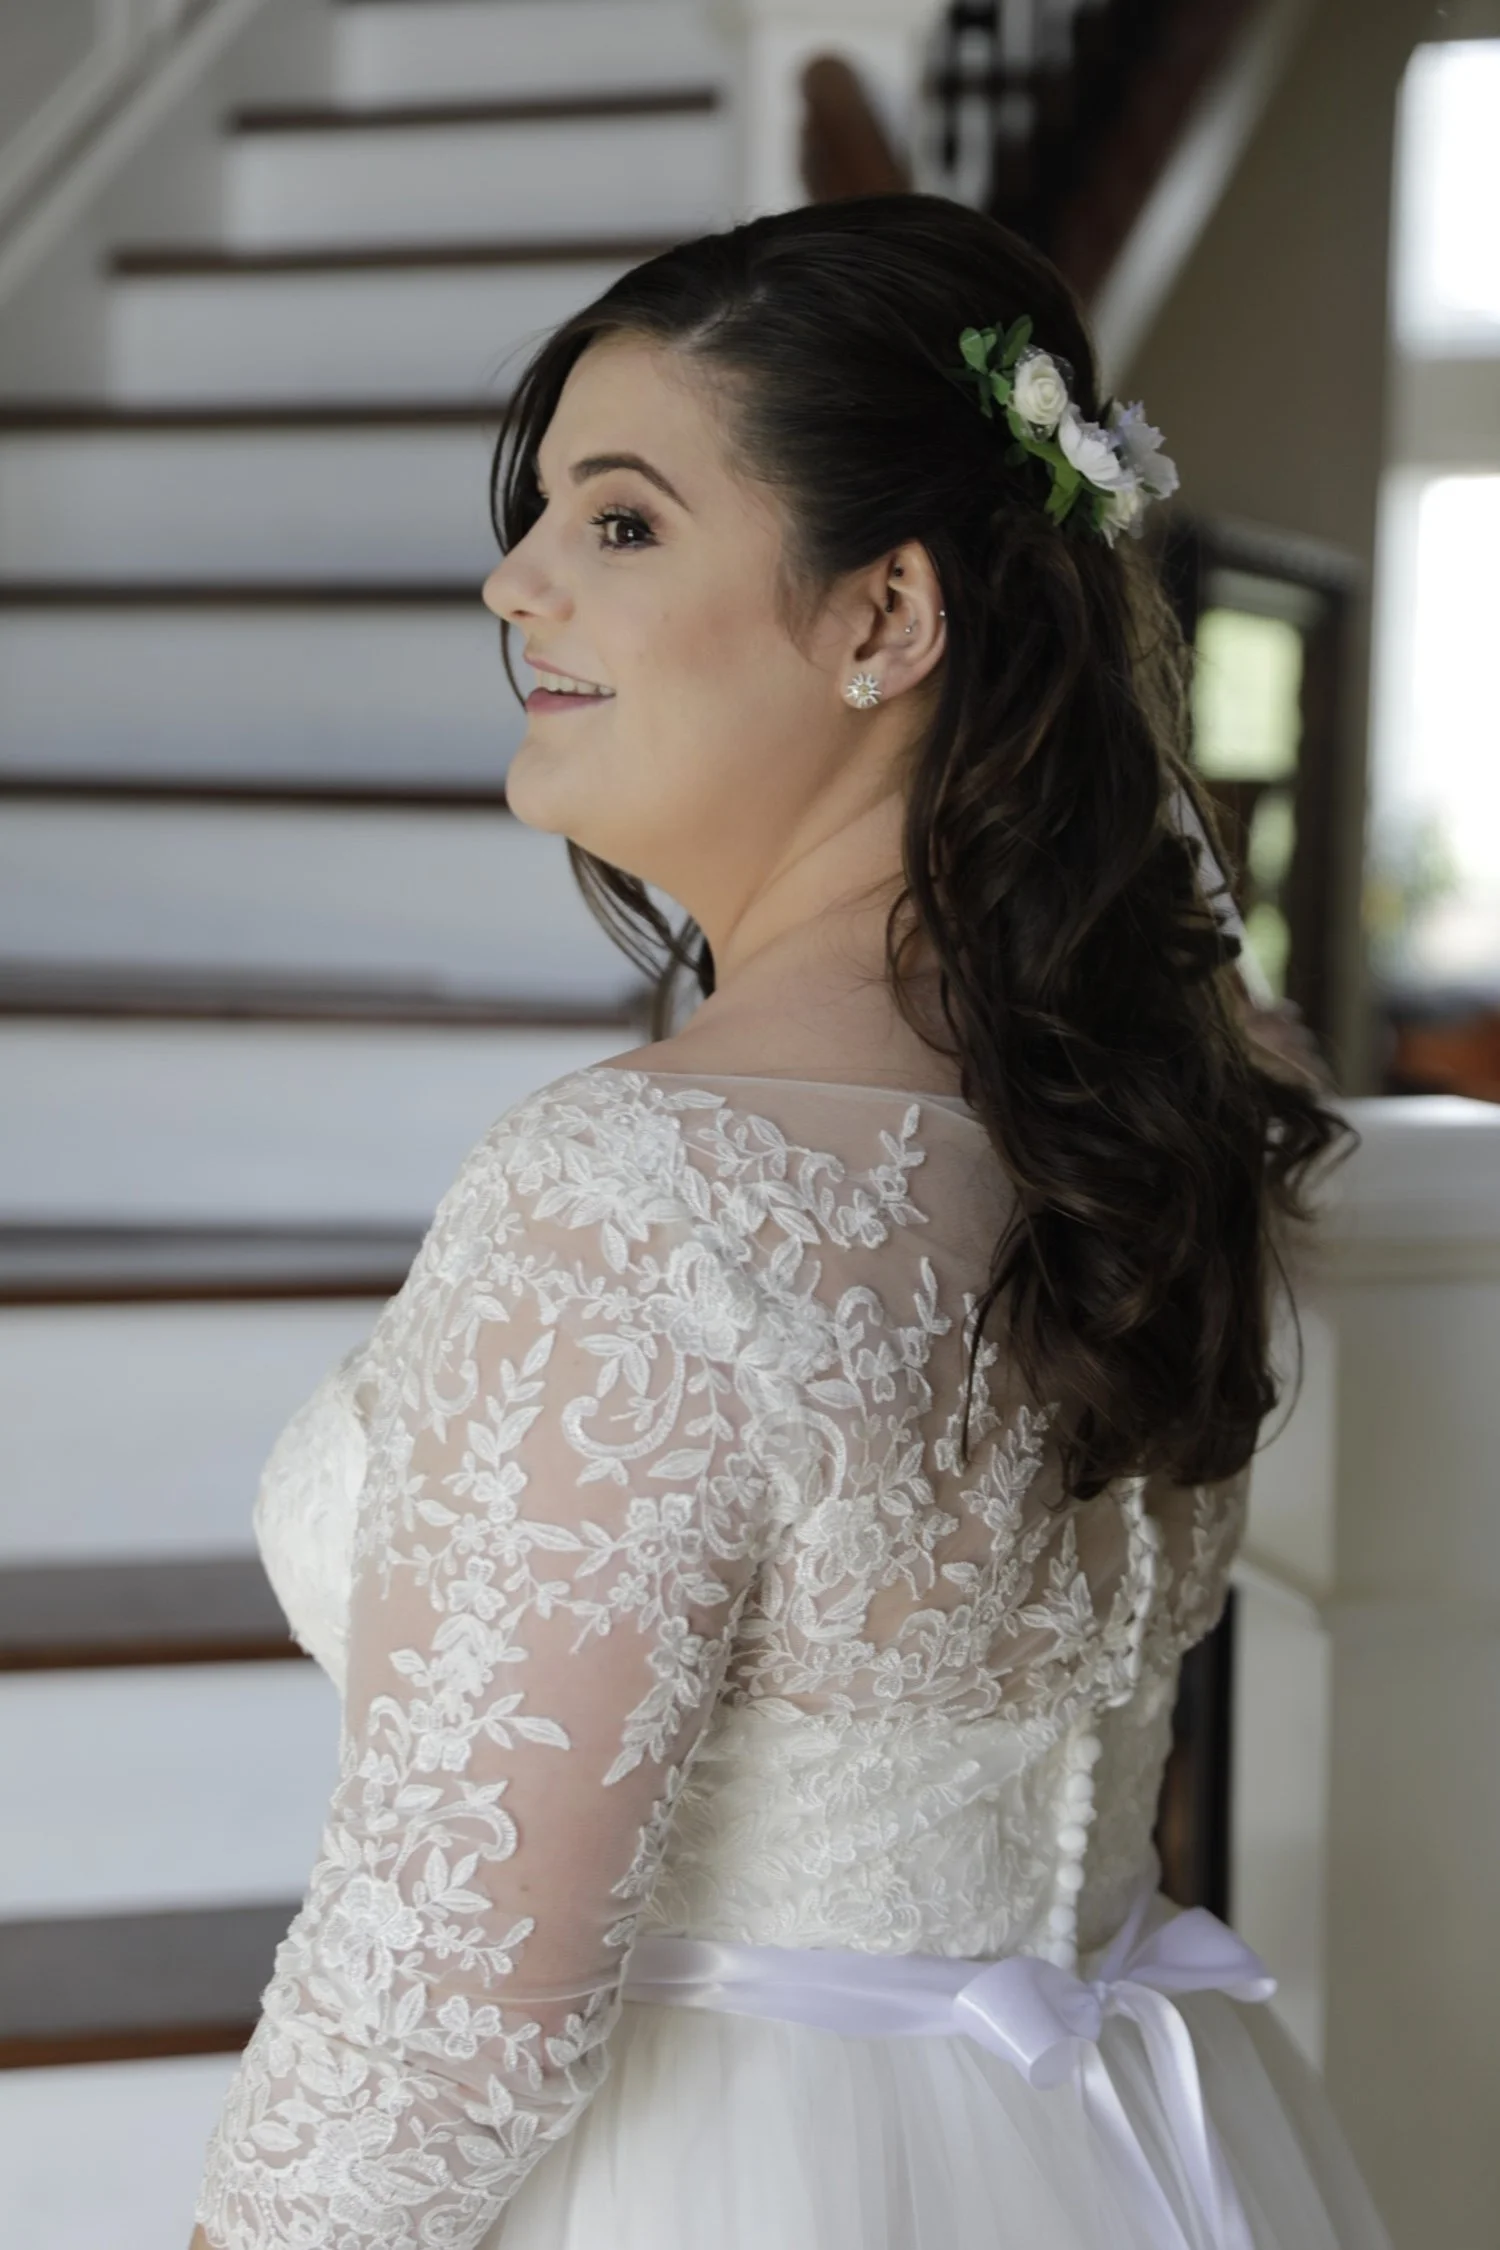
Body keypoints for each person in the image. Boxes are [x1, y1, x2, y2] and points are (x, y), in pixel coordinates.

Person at [190, 193, 1392, 2249]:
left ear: (881, 619)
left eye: (622, 522)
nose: (516, 580)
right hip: (1113, 2146)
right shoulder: (1156, 1104)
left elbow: (442, 2014)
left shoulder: (635, 1198)